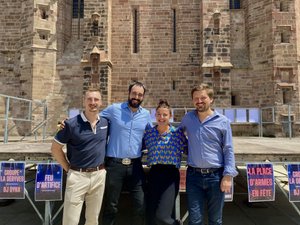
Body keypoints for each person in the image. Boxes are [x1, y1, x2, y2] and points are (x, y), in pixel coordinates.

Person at [180, 83, 238, 225]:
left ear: (211, 99)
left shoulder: (223, 121)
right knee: (195, 220)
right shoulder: (188, 118)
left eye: (203, 97)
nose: (199, 101)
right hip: (194, 176)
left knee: (215, 220)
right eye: (196, 98)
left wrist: (228, 175)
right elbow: (178, 138)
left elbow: (228, 149)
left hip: (216, 177)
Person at [51, 88, 108, 225]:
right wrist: (68, 168)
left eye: (96, 99)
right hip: (77, 176)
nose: (92, 102)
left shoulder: (105, 123)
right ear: (83, 101)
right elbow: (55, 148)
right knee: (71, 220)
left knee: (93, 219)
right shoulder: (71, 124)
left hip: (99, 175)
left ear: (101, 102)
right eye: (89, 99)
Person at [101, 81, 152, 225]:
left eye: (140, 95)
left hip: (136, 165)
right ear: (129, 93)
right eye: (134, 93)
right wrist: (71, 123)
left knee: (140, 204)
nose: (136, 97)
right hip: (114, 165)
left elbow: (153, 134)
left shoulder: (146, 115)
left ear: (143, 97)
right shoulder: (113, 109)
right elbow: (94, 119)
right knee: (111, 205)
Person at [143, 100, 188, 225]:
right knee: (151, 214)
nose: (161, 118)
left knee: (163, 215)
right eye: (158, 114)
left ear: (170, 116)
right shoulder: (149, 134)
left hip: (170, 176)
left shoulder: (177, 134)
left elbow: (190, 149)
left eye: (164, 115)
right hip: (154, 174)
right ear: (155, 115)